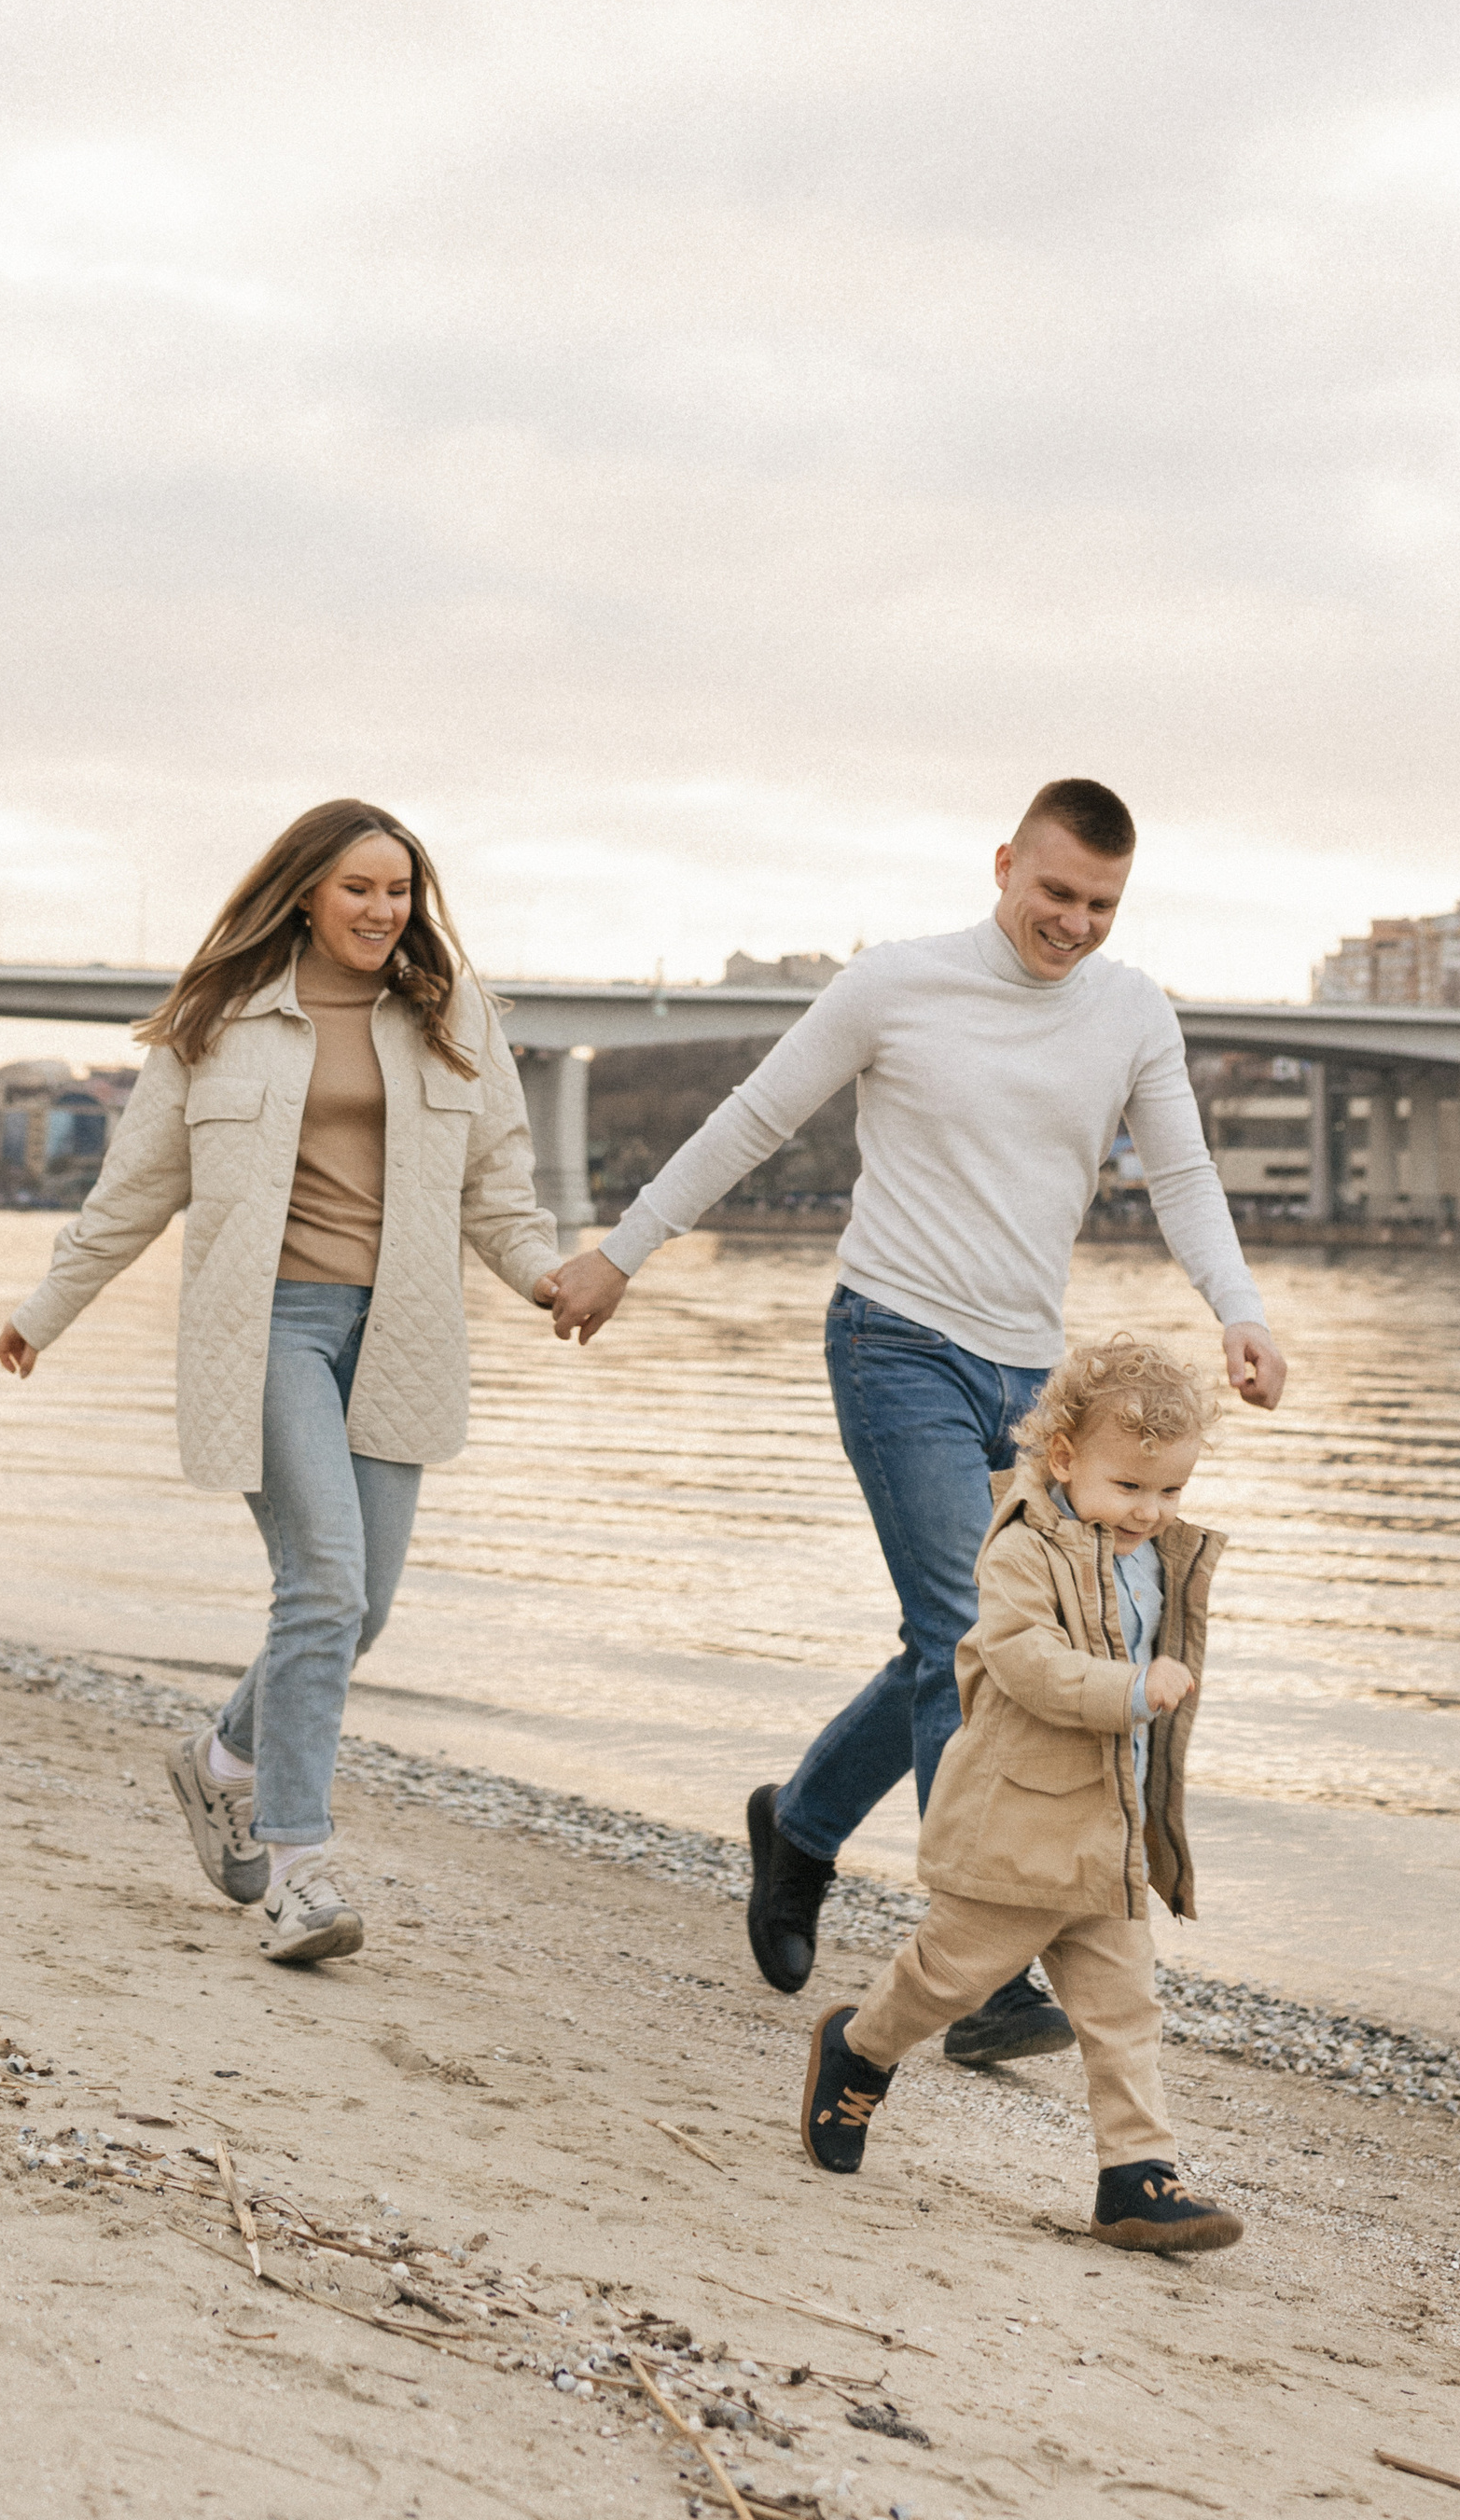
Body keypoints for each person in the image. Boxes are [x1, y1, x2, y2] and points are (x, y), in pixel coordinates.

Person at [548, 775, 1285, 2067]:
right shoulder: (894, 985)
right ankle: (987, 1959)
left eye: (1101, 904)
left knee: (967, 1637)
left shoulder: (1130, 1011)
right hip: (894, 1339)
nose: (1074, 923)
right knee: (965, 1631)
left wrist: (1239, 1309)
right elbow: (755, 1118)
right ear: (1005, 865)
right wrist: (623, 1253)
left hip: (1032, 1379)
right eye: (1055, 892)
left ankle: (804, 1824)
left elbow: (1181, 1172)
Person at [0, 798, 563, 1966]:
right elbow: (135, 1193)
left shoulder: (451, 1014)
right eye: (358, 888)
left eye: (398, 891)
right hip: (269, 1330)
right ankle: (300, 1870)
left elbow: (496, 1185)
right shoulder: (218, 1020)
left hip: (399, 1333)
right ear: (306, 890)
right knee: (323, 1585)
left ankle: (217, 1763)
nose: (381, 910)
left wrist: (549, 1280)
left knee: (365, 1607)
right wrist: (43, 1312)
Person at [798, 1333, 1240, 2253]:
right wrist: (1127, 1692)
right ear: (1065, 1458)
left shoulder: (1155, 1556)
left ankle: (1135, 2178)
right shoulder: (1019, 1551)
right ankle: (860, 2047)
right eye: (1130, 1487)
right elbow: (1029, 1665)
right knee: (945, 1982)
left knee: (1123, 2016)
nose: (1151, 1511)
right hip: (1018, 1829)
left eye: (1171, 1491)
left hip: (1106, 1836)